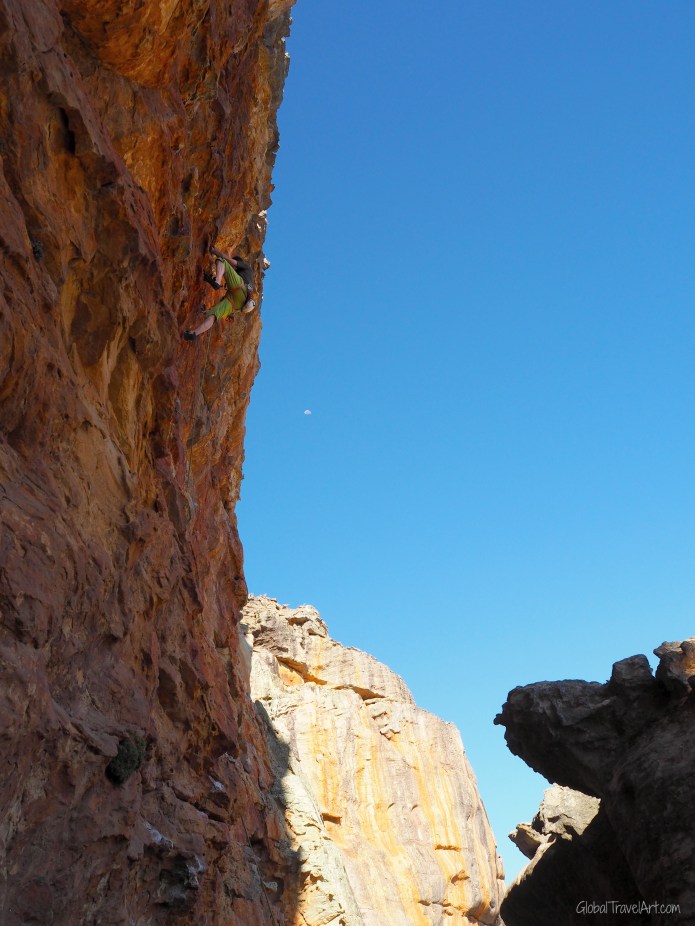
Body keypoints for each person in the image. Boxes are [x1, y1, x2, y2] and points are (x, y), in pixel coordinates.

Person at [183, 246, 256, 341]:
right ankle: (194, 333)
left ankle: (217, 281)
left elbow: (230, 261)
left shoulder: (246, 267)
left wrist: (215, 251)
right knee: (214, 315)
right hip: (237, 304)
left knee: (222, 261)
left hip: (241, 290)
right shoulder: (245, 276)